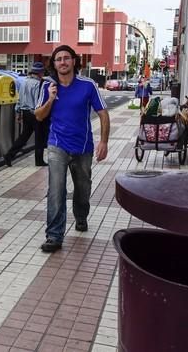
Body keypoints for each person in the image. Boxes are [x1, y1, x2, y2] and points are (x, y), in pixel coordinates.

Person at [35, 45, 110, 253]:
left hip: (83, 147)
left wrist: (104, 142)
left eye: (67, 58)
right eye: (58, 59)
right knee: (56, 189)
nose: (63, 62)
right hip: (57, 144)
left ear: (74, 61)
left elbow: (103, 113)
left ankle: (81, 216)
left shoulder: (88, 85)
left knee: (83, 188)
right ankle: (54, 235)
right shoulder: (48, 86)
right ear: (54, 64)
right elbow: (39, 116)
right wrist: (50, 98)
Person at [4, 61, 48, 167]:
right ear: (40, 73)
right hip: (35, 113)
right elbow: (39, 100)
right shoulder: (38, 84)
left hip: (25, 113)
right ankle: (39, 160)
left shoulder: (23, 82)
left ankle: (9, 155)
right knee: (39, 137)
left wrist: (18, 112)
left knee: (23, 137)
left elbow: (19, 99)